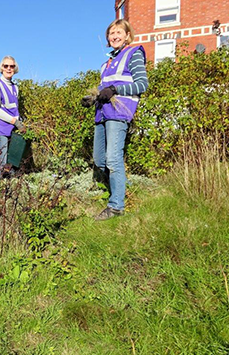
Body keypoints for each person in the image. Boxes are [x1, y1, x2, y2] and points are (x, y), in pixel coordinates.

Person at [86, 19, 148, 221]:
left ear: (127, 35)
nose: (114, 36)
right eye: (111, 33)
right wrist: (93, 98)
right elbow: (104, 89)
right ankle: (118, 190)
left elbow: (142, 85)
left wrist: (115, 90)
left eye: (119, 32)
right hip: (102, 113)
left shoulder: (134, 53)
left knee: (113, 159)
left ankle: (116, 206)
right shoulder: (106, 64)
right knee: (100, 159)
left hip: (118, 113)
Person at [0, 55, 26, 181]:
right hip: (0, 129)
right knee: (0, 163)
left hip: (13, 129)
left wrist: (19, 123)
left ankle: (6, 193)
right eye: (6, 66)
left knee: (11, 164)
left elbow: (14, 108)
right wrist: (15, 121)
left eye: (12, 66)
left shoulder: (15, 88)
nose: (9, 68)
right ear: (1, 68)